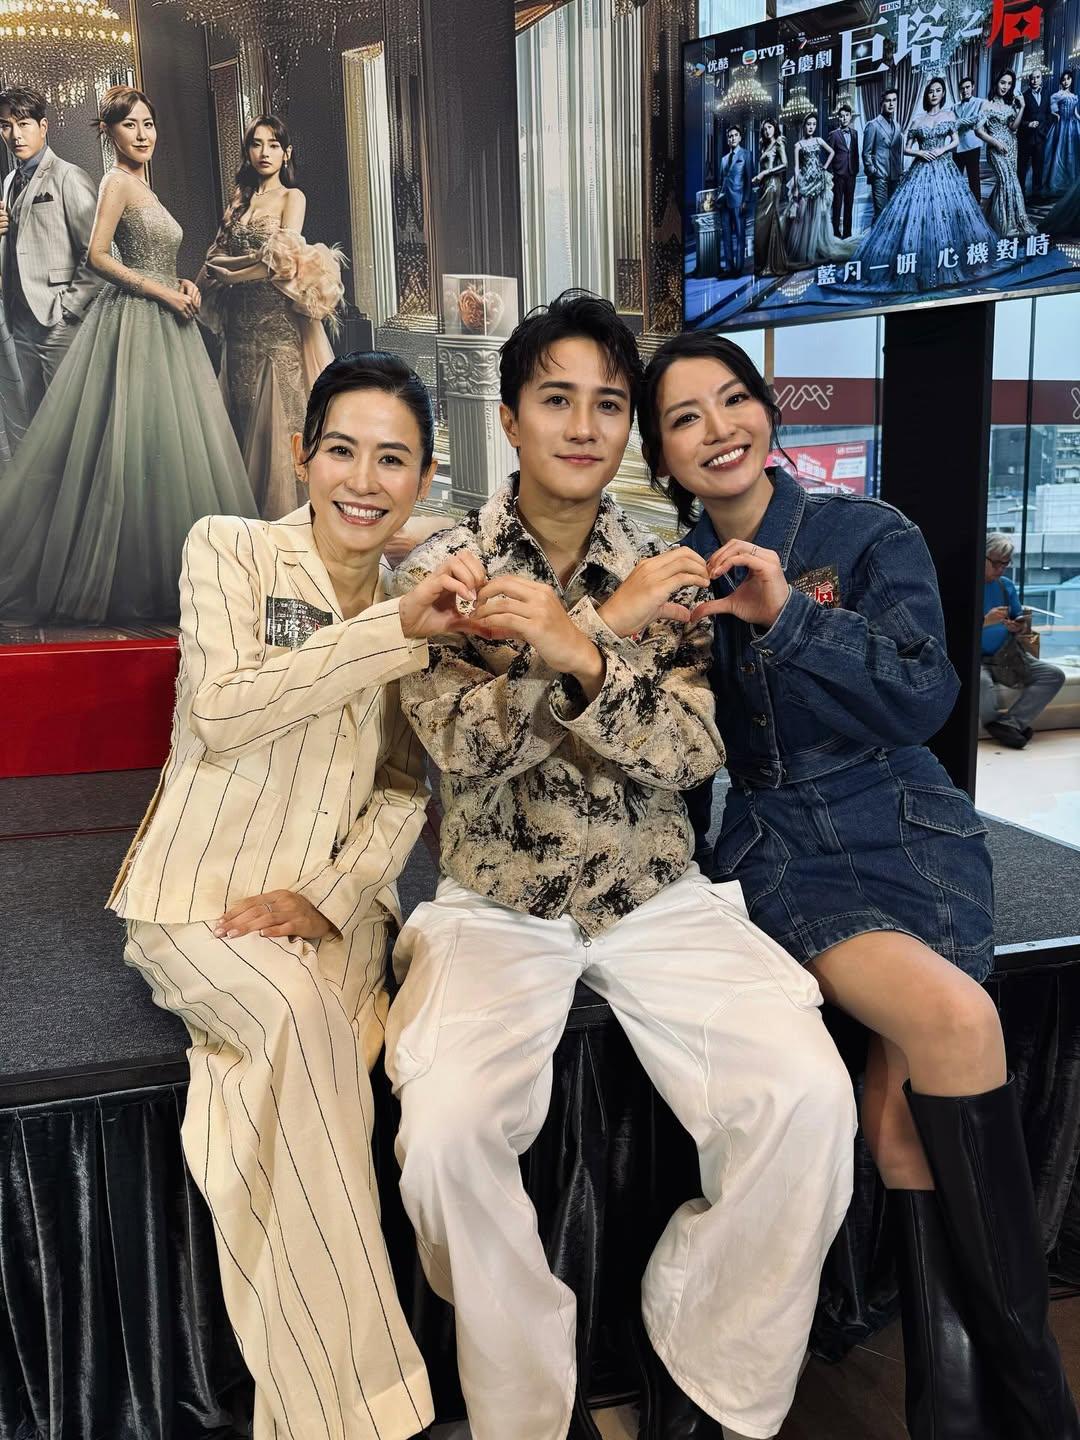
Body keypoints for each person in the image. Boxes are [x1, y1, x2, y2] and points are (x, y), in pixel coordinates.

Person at [387, 291, 856, 1440]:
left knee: (807, 1095)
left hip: (656, 891)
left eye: (608, 403)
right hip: (498, 900)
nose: (585, 426)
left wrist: (577, 646)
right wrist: (593, 639)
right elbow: (460, 750)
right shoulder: (447, 568)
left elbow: (692, 751)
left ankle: (700, 1360)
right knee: (441, 1138)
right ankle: (525, 1404)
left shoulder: (669, 563)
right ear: (509, 418)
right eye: (557, 400)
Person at [637, 328, 1080, 1440]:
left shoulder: (867, 533)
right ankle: (1042, 1407)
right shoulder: (669, 578)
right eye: (685, 418)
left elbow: (926, 696)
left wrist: (791, 616)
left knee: (903, 1124)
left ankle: (955, 1414)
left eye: (733, 400)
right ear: (663, 455)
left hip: (916, 830)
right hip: (787, 848)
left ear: (768, 411)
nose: (718, 429)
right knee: (956, 1020)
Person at [108, 349, 485, 1440]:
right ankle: (370, 1413)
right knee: (297, 1025)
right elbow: (224, 709)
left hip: (330, 914)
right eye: (342, 451)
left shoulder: (422, 609)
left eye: (393, 460)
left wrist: (331, 894)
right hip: (196, 898)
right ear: (301, 454)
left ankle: (319, 1411)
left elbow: (406, 790)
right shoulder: (230, 548)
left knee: (293, 1079)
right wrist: (391, 633)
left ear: (423, 478)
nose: (364, 481)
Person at [0, 85, 256, 625]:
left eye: (148, 124)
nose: (142, 134)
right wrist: (160, 290)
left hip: (165, 316)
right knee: (128, 447)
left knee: (164, 446)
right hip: (137, 319)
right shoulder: (114, 181)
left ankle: (185, 571)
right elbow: (97, 256)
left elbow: (153, 254)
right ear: (109, 133)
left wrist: (181, 282)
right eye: (129, 125)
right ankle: (125, 578)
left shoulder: (143, 184)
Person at [199, 114, 337, 520]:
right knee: (242, 422)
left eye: (273, 145)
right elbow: (212, 258)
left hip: (277, 328)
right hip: (238, 332)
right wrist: (192, 288)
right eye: (256, 144)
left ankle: (288, 526)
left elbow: (283, 260)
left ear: (286, 153)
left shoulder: (292, 198)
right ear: (247, 151)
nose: (265, 152)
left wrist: (231, 273)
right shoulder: (238, 201)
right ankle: (246, 526)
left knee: (281, 426)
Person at [0, 86, 101, 423]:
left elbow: (95, 253)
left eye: (23, 124)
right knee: (36, 420)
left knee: (69, 419)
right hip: (21, 318)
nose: (15, 135)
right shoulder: (9, 181)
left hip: (58, 317)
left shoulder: (69, 176)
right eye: (5, 126)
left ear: (43, 126)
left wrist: (68, 311)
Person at [847, 77, 998, 292]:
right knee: (915, 216)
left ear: (943, 94)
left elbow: (955, 140)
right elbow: (905, 148)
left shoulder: (949, 115)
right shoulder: (918, 120)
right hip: (920, 168)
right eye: (931, 91)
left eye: (938, 90)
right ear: (927, 95)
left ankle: (948, 261)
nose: (934, 94)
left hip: (944, 168)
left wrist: (942, 149)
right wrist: (921, 153)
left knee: (946, 213)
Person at [980, 533, 1065, 749]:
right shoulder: (965, 586)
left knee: (1054, 675)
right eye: (996, 563)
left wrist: (1018, 626)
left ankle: (1008, 724)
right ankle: (1003, 728)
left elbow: (1020, 620)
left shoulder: (1005, 586)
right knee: (982, 683)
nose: (1000, 569)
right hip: (976, 659)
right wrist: (985, 621)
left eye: (1005, 564)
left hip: (1006, 654)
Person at [784, 112, 850, 266]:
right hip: (805, 180)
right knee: (803, 215)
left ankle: (817, 247)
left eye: (814, 124)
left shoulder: (819, 140)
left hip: (818, 180)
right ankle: (806, 249)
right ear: (804, 126)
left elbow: (832, 152)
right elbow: (796, 167)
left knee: (818, 215)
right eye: (809, 124)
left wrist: (824, 167)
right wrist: (796, 185)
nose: (811, 127)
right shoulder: (798, 145)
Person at [976, 70, 1036, 240]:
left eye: (1009, 84)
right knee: (1005, 182)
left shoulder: (1010, 105)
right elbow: (978, 130)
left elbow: (1013, 127)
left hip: (1011, 147)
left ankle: (998, 219)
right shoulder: (986, 105)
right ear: (996, 82)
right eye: (1003, 82)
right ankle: (1004, 225)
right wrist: (996, 143)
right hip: (995, 150)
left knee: (1011, 182)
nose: (1006, 87)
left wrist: (1022, 107)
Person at [751, 118, 789, 276]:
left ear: (775, 128)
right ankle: (767, 262)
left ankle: (769, 264)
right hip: (764, 185)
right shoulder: (764, 145)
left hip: (773, 185)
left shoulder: (779, 143)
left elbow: (785, 164)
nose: (767, 131)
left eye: (770, 127)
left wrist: (765, 173)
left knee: (764, 221)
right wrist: (759, 178)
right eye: (765, 129)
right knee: (765, 223)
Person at [863, 89, 904, 218]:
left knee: (893, 212)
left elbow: (899, 151)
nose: (891, 104)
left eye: (894, 100)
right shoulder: (873, 125)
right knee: (881, 214)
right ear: (882, 103)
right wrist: (873, 172)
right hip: (879, 176)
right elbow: (866, 153)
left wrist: (900, 171)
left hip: (895, 176)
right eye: (888, 101)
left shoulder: (897, 126)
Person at [717, 125, 750, 273]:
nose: (733, 138)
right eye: (730, 136)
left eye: (735, 135)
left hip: (739, 200)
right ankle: (729, 266)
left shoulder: (746, 155)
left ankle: (739, 267)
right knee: (726, 235)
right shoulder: (723, 159)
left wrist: (746, 200)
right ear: (727, 140)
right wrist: (719, 196)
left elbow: (748, 179)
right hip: (724, 201)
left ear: (740, 137)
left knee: (740, 235)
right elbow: (721, 180)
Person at [1043, 70, 1080, 198]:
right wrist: (1056, 115)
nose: (1066, 81)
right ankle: (1055, 182)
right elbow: (1052, 111)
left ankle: (1070, 183)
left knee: (1071, 154)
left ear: (1071, 80)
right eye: (1063, 79)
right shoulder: (1057, 95)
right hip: (1061, 126)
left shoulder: (1074, 96)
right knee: (1058, 152)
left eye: (1068, 79)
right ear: (1061, 82)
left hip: (1073, 126)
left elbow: (1075, 113)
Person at [1017, 69, 1051, 199]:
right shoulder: (1023, 96)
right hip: (1025, 138)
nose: (1035, 80)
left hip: (1040, 138)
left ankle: (1037, 194)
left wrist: (1045, 130)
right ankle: (1021, 194)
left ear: (1041, 79)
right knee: (1022, 167)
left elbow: (1048, 114)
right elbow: (1018, 120)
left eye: (1037, 77)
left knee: (1038, 167)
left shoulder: (1047, 94)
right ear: (1029, 80)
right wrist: (1028, 124)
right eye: (1032, 78)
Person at [827, 103, 859, 239]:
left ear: (850, 117)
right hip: (838, 174)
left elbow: (855, 153)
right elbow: (829, 154)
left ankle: (847, 233)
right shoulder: (833, 135)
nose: (844, 118)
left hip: (851, 173)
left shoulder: (855, 133)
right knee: (837, 204)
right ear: (838, 118)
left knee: (849, 204)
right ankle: (835, 232)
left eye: (846, 115)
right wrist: (831, 173)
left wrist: (856, 169)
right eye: (841, 116)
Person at [952, 76, 984, 201]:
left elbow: (977, 119)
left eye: (967, 87)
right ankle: (958, 202)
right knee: (956, 178)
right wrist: (964, 122)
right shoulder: (954, 107)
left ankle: (976, 203)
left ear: (973, 87)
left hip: (973, 145)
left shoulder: (980, 102)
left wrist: (959, 122)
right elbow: (952, 124)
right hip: (957, 147)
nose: (965, 90)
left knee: (973, 177)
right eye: (962, 88)